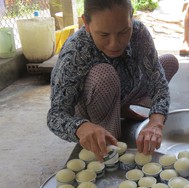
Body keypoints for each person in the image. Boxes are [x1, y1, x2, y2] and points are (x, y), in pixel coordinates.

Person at [47, 0, 179, 161]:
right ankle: (104, 138)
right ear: (86, 24)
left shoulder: (139, 33)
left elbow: (158, 84)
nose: (115, 44)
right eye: (104, 35)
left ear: (131, 17)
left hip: (123, 89)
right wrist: (81, 127)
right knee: (105, 75)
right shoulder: (76, 51)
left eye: (124, 32)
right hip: (91, 101)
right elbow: (55, 115)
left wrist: (156, 124)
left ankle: (120, 108)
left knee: (169, 62)